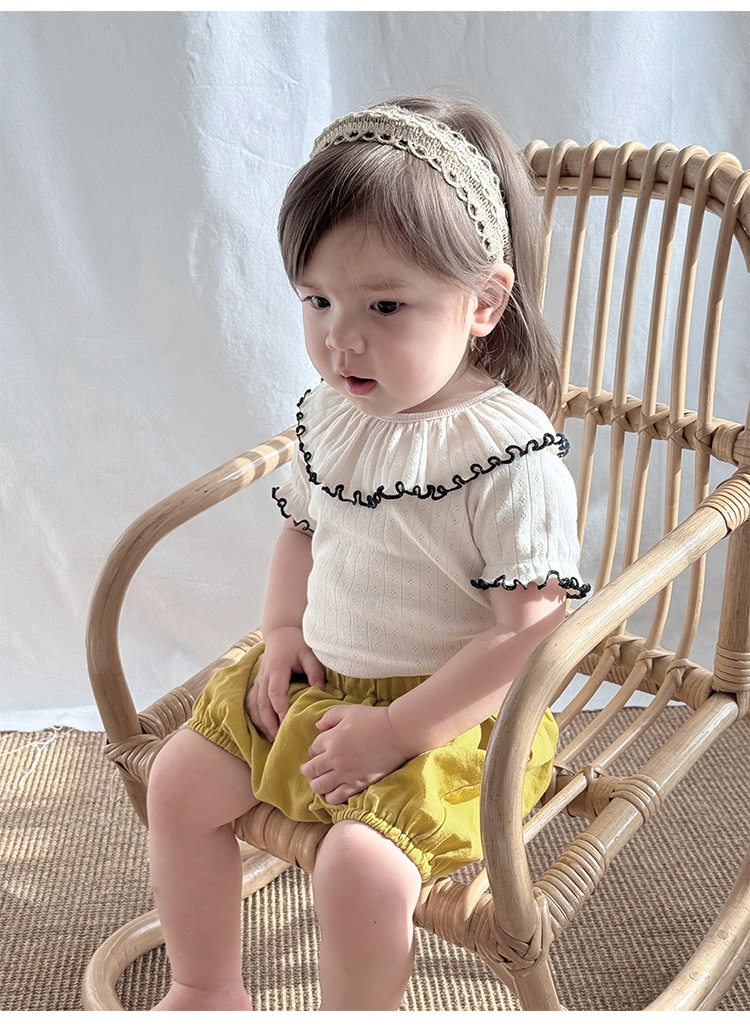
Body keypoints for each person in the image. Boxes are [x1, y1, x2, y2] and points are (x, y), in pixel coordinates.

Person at [146, 96, 590, 1012]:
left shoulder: (509, 455)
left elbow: (527, 636)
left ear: (482, 303)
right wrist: (280, 632)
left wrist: (397, 732)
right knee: (180, 783)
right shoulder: (334, 416)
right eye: (317, 300)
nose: (340, 338)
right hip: (322, 680)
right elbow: (303, 532)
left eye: (385, 305)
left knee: (358, 869)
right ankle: (206, 986)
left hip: (451, 719)